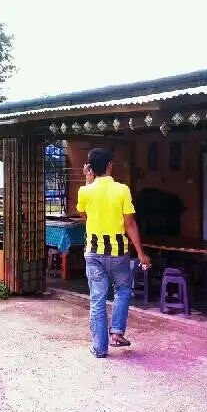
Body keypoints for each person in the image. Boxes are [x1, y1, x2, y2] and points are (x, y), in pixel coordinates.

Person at [77, 148, 151, 358]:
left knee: (97, 300)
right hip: (119, 252)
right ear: (109, 165)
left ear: (90, 168)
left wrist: (87, 182)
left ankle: (100, 348)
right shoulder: (122, 190)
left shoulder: (85, 191)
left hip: (93, 253)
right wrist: (141, 253)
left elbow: (84, 214)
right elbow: (130, 224)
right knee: (123, 290)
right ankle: (117, 332)